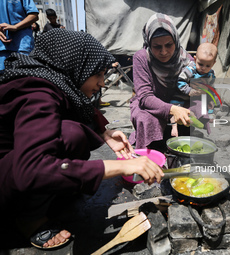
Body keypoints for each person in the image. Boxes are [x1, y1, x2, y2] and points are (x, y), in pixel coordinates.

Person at [0, 29, 163, 249]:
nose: (103, 83)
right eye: (98, 74)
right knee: (71, 135)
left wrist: (103, 133)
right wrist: (118, 167)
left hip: (13, 170)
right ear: (76, 65)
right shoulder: (37, 92)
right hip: (8, 179)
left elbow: (74, 109)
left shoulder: (51, 79)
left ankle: (52, 197)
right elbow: (30, 168)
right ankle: (29, 218)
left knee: (73, 132)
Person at [129, 13, 211, 151]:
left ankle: (183, 140)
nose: (164, 52)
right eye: (157, 46)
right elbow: (144, 96)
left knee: (198, 107)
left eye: (169, 45)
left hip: (178, 101)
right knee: (144, 118)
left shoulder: (187, 60)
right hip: (151, 105)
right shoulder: (141, 58)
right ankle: (150, 150)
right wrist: (172, 110)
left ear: (176, 41)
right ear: (149, 43)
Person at [170, 42, 217, 137]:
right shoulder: (190, 69)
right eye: (200, 64)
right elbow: (180, 81)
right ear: (195, 59)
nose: (203, 68)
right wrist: (188, 90)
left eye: (208, 66)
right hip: (180, 96)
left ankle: (204, 123)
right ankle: (173, 127)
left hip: (195, 97)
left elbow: (211, 87)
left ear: (213, 64)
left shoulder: (211, 74)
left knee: (200, 108)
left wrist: (210, 99)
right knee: (175, 109)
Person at [0, 0, 39, 72]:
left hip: (22, 45)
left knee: (24, 76)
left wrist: (16, 27)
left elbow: (34, 15)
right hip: (3, 48)